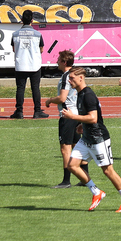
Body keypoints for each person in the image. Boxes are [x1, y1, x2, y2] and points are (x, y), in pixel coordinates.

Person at [63, 67, 121, 213]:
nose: (69, 81)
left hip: (98, 139)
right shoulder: (80, 93)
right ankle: (96, 192)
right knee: (72, 165)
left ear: (81, 78)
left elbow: (94, 118)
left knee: (108, 171)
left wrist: (73, 118)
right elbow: (90, 118)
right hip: (86, 138)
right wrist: (82, 126)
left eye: (72, 78)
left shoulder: (88, 94)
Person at [44, 49, 88, 189]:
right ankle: (85, 177)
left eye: (58, 59)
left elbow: (62, 98)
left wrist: (50, 100)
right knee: (77, 146)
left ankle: (66, 181)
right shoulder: (76, 75)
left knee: (65, 148)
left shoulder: (66, 76)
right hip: (78, 114)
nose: (56, 61)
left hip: (68, 115)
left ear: (63, 62)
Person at [10, 9, 48, 120]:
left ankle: (19, 111)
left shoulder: (15, 34)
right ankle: (37, 111)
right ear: (32, 20)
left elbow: (14, 49)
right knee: (35, 88)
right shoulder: (37, 34)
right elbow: (41, 49)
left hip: (21, 64)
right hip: (34, 65)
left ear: (21, 20)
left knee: (20, 88)